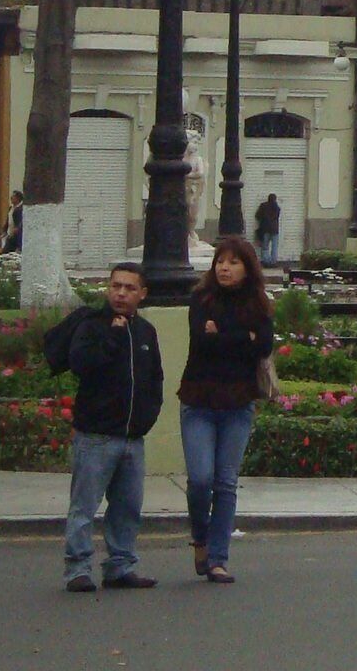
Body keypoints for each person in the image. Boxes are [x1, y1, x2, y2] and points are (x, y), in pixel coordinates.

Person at [61, 261, 164, 591]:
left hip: (132, 438)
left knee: (127, 508)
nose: (121, 293)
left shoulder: (146, 332)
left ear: (142, 294)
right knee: (84, 507)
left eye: (130, 288)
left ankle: (120, 565)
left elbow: (155, 378)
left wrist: (148, 415)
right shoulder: (93, 325)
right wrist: (113, 337)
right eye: (116, 286)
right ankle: (78, 568)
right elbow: (81, 364)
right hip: (96, 435)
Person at [178, 237, 273, 585]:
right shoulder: (201, 299)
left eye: (233, 262)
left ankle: (217, 558)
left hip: (238, 404)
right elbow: (201, 342)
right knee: (201, 480)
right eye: (220, 261)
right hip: (199, 402)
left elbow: (262, 345)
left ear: (247, 268)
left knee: (226, 482)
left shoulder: (259, 305)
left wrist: (225, 335)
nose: (224, 268)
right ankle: (200, 537)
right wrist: (240, 338)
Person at [253, 193, 281, 265]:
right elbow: (276, 217)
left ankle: (266, 261)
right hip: (275, 230)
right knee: (274, 247)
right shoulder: (277, 208)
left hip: (265, 229)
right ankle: (273, 262)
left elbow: (257, 216)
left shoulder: (263, 206)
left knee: (265, 247)